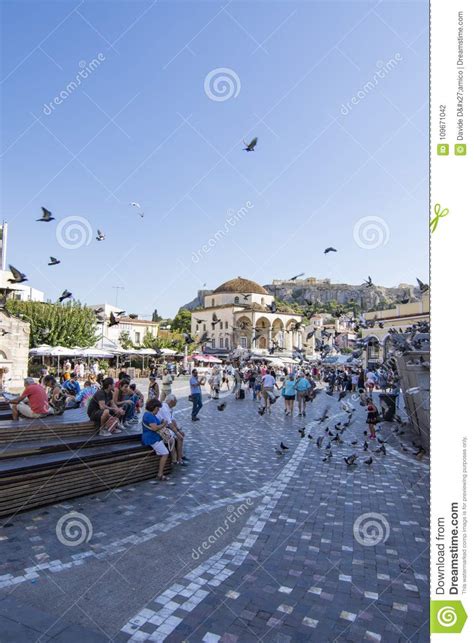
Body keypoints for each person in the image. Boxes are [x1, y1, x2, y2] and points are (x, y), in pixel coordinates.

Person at [141, 399, 171, 481]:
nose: (158, 411)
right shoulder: (149, 416)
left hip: (153, 437)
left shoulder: (150, 414)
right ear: (154, 407)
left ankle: (160, 473)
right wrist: (164, 424)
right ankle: (160, 474)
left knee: (164, 452)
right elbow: (154, 428)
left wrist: (161, 422)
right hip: (151, 438)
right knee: (165, 453)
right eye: (157, 409)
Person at [158, 394, 187, 464]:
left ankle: (180, 456)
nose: (176, 402)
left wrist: (178, 430)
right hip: (161, 428)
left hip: (166, 427)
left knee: (181, 434)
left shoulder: (169, 408)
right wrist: (177, 432)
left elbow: (173, 420)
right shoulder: (164, 407)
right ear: (171, 401)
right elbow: (170, 423)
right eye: (175, 401)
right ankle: (178, 458)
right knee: (179, 437)